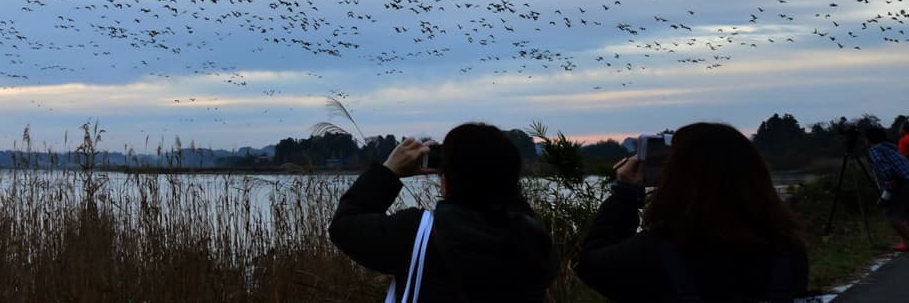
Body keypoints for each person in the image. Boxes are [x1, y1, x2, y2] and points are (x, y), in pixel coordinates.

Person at [575, 122, 808, 300]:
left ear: (676, 179)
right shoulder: (788, 250)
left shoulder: (654, 253)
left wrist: (625, 194)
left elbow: (590, 265)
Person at [329, 122, 556, 301]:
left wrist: (388, 171)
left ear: (445, 182)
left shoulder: (417, 234)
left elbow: (344, 225)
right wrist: (498, 178)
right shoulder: (533, 242)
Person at [864, 124, 909, 252]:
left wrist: (889, 181)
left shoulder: (875, 149)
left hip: (899, 182)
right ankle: (906, 243)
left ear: (869, 139)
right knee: (905, 213)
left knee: (892, 215)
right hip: (906, 178)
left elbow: (881, 165)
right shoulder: (891, 147)